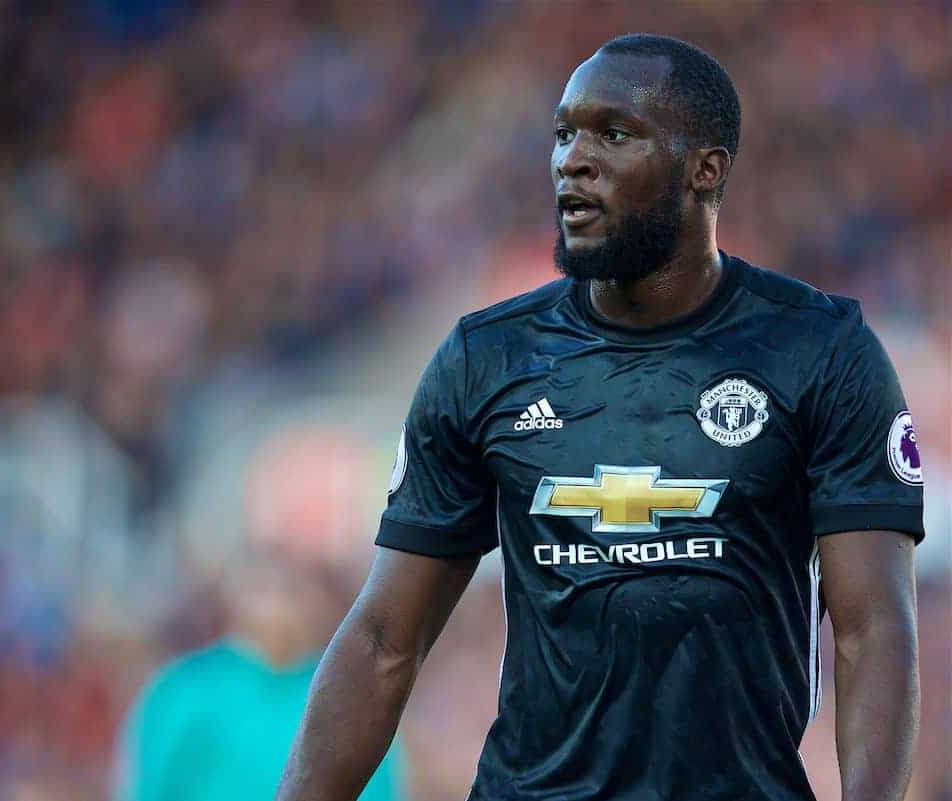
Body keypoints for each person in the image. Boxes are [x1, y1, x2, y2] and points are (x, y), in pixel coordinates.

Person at [276, 34, 923, 801]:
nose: (571, 161)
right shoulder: (487, 359)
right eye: (563, 134)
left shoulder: (820, 352)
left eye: (613, 135)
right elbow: (385, 638)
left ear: (705, 170)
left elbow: (873, 632)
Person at [113, 547, 403, 801]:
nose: (279, 607)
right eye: (266, 589)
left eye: (294, 590)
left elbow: (376, 785)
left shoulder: (345, 696)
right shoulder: (185, 691)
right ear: (237, 596)